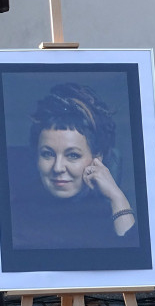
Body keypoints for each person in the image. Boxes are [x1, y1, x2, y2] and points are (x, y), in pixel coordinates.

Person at [8, 82, 138, 250]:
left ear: (97, 158)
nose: (58, 168)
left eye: (73, 155)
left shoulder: (109, 213)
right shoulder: (18, 215)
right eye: (47, 154)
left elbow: (132, 267)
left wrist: (117, 198)